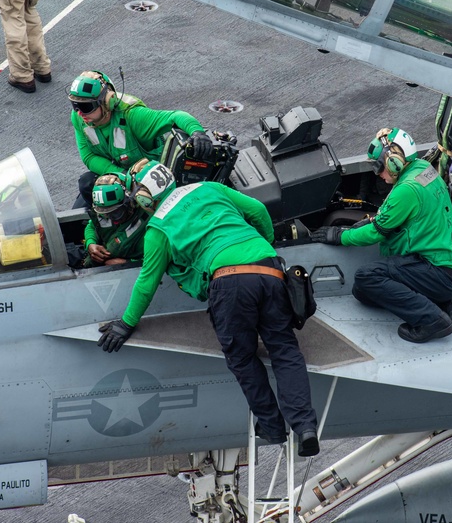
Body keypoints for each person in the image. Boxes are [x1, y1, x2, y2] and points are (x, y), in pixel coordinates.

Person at [97, 161, 320, 457]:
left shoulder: (157, 230)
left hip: (229, 282)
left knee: (242, 357)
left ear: (143, 198)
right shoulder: (209, 187)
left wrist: (126, 324)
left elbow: (146, 283)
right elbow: (258, 211)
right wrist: (263, 248)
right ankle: (305, 427)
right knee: (285, 349)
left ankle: (272, 426)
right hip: (270, 269)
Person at [312, 128, 452, 343]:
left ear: (394, 161)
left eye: (379, 167)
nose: (378, 174)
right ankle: (446, 300)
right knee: (362, 292)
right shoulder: (423, 169)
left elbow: (376, 233)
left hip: (434, 270)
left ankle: (432, 320)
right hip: (447, 270)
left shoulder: (407, 190)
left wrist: (339, 236)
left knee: (367, 277)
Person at [68, 70, 214, 205]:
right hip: (122, 177)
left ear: (107, 101)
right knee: (87, 184)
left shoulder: (133, 116)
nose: (80, 113)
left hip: (152, 183)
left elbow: (175, 116)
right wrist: (123, 177)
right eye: (75, 106)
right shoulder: (79, 117)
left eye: (86, 107)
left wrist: (197, 132)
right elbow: (89, 156)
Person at [81, 172, 148, 267]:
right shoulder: (105, 215)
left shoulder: (147, 224)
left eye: (116, 213)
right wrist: (90, 244)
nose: (111, 219)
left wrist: (127, 263)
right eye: (105, 214)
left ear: (129, 204)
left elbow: (158, 257)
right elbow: (91, 226)